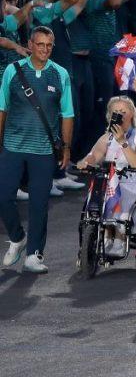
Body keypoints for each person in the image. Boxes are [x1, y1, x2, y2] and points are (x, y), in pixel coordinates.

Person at [0, 26, 73, 274]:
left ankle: (34, 254)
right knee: (3, 197)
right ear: (30, 45)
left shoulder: (60, 74)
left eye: (49, 45)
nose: (44, 49)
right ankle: (18, 238)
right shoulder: (13, 70)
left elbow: (67, 114)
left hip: (43, 150)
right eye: (40, 44)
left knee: (39, 204)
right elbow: (2, 108)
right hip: (13, 146)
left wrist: (66, 147)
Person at [76, 95, 136, 254]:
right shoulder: (107, 137)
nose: (120, 115)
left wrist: (122, 142)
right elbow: (95, 155)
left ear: (132, 113)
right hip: (113, 179)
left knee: (121, 194)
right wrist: (86, 162)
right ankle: (105, 233)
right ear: (110, 116)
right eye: (116, 112)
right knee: (99, 192)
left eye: (124, 111)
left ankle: (119, 238)